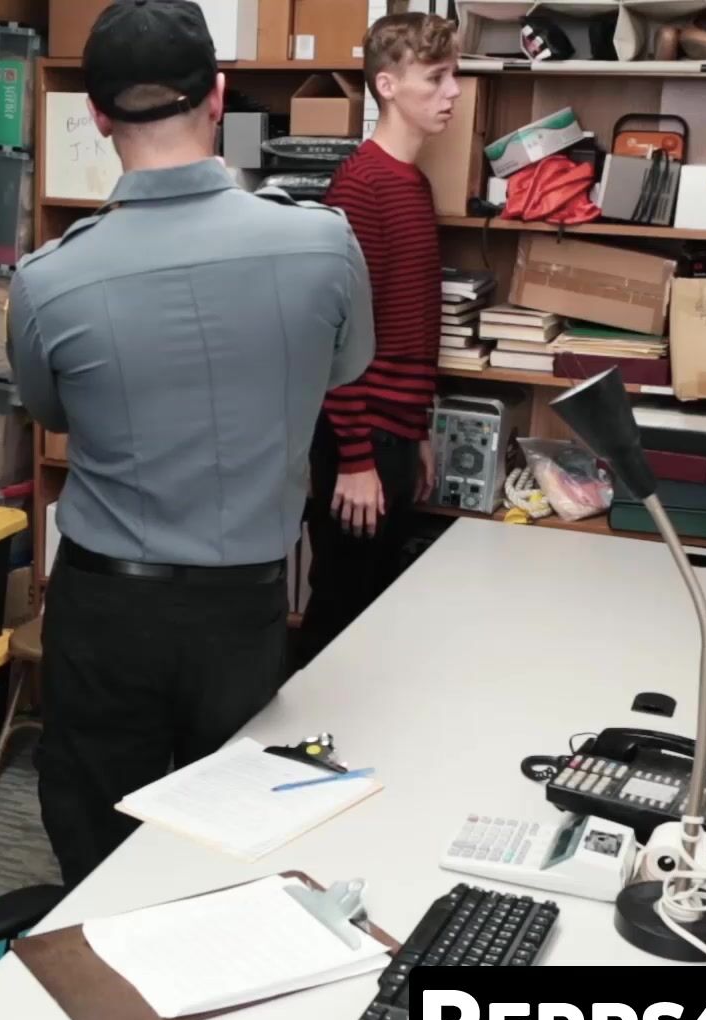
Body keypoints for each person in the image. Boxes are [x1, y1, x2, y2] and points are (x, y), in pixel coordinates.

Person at [10, 0, 374, 888]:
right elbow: (341, 369)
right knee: (234, 841)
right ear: (217, 94)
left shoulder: (48, 279)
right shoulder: (323, 244)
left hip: (105, 606)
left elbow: (52, 413)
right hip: (244, 609)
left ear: (97, 116)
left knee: (98, 845)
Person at [297, 12, 462, 668]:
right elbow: (333, 337)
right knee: (340, 613)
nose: (453, 91)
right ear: (387, 86)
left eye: (454, 75)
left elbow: (409, 325)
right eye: (436, 77)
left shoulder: (411, 183)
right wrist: (357, 459)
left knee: (375, 613)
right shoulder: (361, 187)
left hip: (393, 433)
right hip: (358, 440)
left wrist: (416, 429)